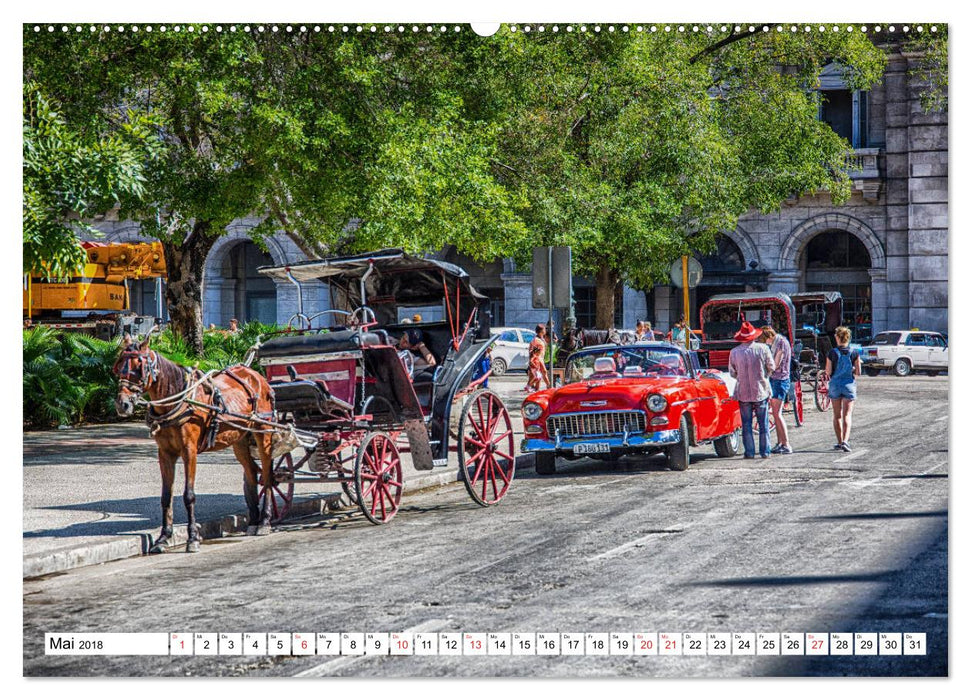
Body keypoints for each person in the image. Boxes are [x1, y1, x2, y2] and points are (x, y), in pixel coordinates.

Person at [728, 320, 776, 459]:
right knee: (763, 424)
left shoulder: (734, 352)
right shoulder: (763, 349)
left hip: (743, 392)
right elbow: (771, 367)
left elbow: (732, 372)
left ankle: (749, 452)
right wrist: (765, 376)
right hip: (760, 390)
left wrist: (741, 377)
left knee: (746, 424)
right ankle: (765, 451)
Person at [823, 326, 862, 452]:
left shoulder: (832, 353)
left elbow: (828, 372)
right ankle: (845, 441)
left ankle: (839, 442)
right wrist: (851, 369)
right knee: (847, 415)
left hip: (835, 384)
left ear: (837, 337)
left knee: (837, 415)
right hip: (849, 385)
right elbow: (859, 372)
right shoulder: (854, 352)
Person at [760, 326, 793, 454]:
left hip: (780, 380)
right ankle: (780, 443)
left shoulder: (781, 343)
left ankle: (786, 444)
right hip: (776, 379)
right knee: (775, 413)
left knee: (777, 414)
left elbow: (776, 364)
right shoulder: (777, 342)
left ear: (769, 337)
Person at [525, 324, 551, 391]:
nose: (545, 330)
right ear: (541, 331)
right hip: (537, 360)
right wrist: (532, 360)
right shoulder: (536, 340)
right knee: (542, 373)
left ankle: (538, 389)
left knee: (539, 378)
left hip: (540, 359)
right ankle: (549, 386)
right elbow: (532, 350)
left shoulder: (542, 339)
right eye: (544, 329)